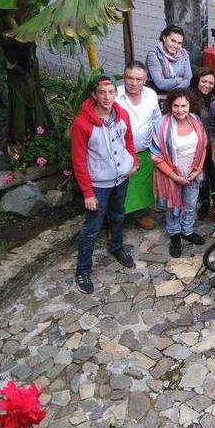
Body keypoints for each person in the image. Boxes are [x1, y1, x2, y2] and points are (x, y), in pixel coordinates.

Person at [71, 76, 138, 294]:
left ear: (115, 94)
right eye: (102, 92)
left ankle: (116, 247)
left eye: (111, 92)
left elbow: (128, 141)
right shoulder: (82, 123)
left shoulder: (122, 115)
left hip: (121, 179)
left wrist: (133, 161)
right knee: (92, 227)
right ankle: (82, 270)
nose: (107, 97)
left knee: (118, 216)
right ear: (94, 95)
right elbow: (79, 160)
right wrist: (88, 193)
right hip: (99, 185)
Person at [151, 88, 209, 258]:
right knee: (172, 207)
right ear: (170, 105)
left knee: (190, 204)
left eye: (184, 106)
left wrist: (198, 169)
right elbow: (156, 156)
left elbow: (203, 146)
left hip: (193, 173)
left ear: (190, 105)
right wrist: (175, 176)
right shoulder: (160, 125)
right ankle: (175, 234)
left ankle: (187, 231)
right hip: (170, 175)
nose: (180, 110)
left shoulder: (196, 121)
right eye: (176, 106)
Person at [116, 61, 162, 230]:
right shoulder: (115, 96)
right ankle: (115, 221)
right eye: (130, 78)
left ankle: (140, 214)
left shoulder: (151, 95)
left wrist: (162, 145)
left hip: (145, 149)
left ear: (145, 79)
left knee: (142, 185)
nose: (134, 83)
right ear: (124, 77)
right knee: (119, 187)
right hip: (120, 152)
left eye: (138, 79)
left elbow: (157, 119)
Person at [189, 67, 215, 219]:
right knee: (201, 176)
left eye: (210, 83)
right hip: (197, 145)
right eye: (203, 81)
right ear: (197, 81)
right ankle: (204, 202)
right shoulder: (189, 98)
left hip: (214, 144)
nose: (207, 85)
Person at [146, 25, 192, 93]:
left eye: (179, 43)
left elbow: (188, 80)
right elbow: (160, 84)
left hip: (178, 94)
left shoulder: (184, 54)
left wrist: (174, 92)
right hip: (157, 94)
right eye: (173, 41)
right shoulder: (154, 55)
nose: (175, 45)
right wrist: (179, 80)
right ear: (164, 38)